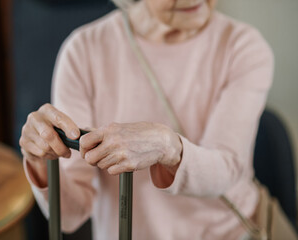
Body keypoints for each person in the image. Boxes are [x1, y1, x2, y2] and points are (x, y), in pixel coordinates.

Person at [19, 0, 280, 239]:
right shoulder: (83, 52)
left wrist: (168, 147)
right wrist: (40, 162)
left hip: (229, 232)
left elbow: (228, 168)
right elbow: (69, 215)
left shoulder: (244, 46)